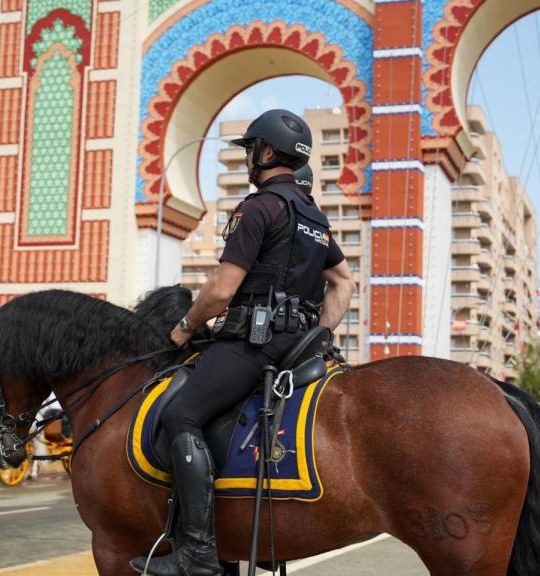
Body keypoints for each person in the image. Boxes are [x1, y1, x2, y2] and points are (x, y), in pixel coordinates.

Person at [131, 109, 356, 576]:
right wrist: (320, 335)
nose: (249, 158)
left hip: (255, 344)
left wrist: (185, 328)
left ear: (266, 152)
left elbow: (220, 291)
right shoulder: (315, 218)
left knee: (180, 414)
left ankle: (196, 554)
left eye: (251, 149)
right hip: (299, 345)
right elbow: (344, 283)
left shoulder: (258, 207)